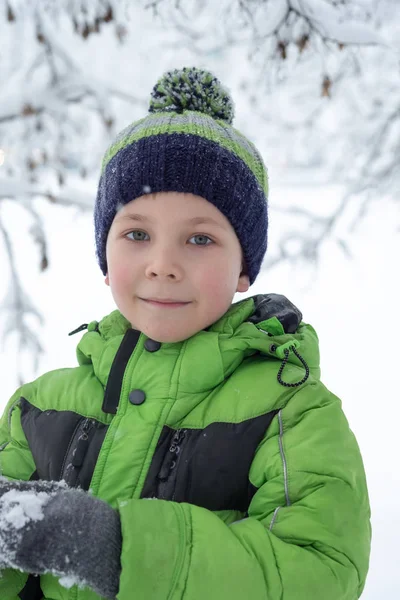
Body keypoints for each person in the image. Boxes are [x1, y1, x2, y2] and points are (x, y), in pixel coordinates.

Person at [0, 67, 371, 600]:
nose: (162, 264)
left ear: (245, 268)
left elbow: (321, 570)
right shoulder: (37, 408)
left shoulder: (294, 415)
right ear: (105, 257)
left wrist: (121, 549)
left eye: (199, 238)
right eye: (136, 233)